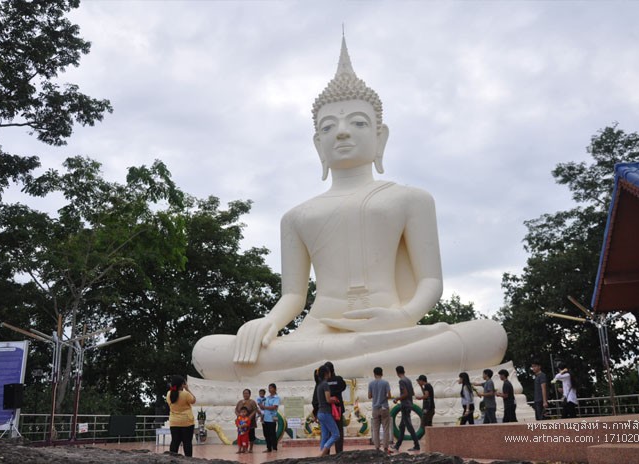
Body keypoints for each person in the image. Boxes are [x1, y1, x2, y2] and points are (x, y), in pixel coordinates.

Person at [191, 36, 507, 382]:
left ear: (380, 136)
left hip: (392, 329)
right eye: (328, 127)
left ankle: (311, 376)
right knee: (207, 350)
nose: (341, 133)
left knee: (489, 335)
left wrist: (403, 317)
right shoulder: (297, 216)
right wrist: (267, 323)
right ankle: (347, 370)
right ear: (318, 144)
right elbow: (294, 296)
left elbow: (430, 281)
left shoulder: (410, 199)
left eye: (357, 123)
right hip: (316, 335)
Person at [166, 375, 196, 457]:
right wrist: (187, 389)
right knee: (187, 443)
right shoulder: (185, 394)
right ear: (182, 384)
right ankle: (189, 460)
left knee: (175, 442)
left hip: (174, 422)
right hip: (187, 422)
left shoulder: (169, 394)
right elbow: (193, 400)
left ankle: (171, 460)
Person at [392, 366, 420, 452]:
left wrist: (397, 399)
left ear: (397, 372)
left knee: (409, 426)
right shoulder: (408, 380)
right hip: (409, 404)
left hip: (405, 405)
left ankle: (416, 445)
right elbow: (412, 393)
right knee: (402, 426)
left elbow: (405, 394)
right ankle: (397, 445)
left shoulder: (401, 381)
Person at [316, 364, 341, 457]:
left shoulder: (319, 385)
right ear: (326, 373)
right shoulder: (325, 384)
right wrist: (334, 399)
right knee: (336, 434)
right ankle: (322, 454)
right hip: (326, 412)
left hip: (320, 412)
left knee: (325, 435)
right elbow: (328, 399)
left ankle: (323, 454)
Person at [368, 366, 392, 453]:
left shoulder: (371, 384)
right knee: (386, 429)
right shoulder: (385, 383)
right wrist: (383, 396)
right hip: (384, 407)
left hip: (375, 408)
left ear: (374, 374)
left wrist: (376, 395)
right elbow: (389, 395)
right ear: (382, 373)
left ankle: (377, 448)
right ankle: (385, 448)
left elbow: (369, 396)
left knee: (376, 429)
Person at [324, 361, 346, 453]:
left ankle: (327, 453)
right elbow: (343, 387)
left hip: (327, 409)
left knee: (328, 432)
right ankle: (339, 452)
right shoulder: (339, 379)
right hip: (338, 410)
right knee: (339, 431)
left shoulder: (323, 382)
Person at [260, 383, 280, 452]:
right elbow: (262, 408)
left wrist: (265, 407)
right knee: (266, 434)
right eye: (269, 388)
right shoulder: (267, 398)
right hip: (265, 418)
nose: (270, 389)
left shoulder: (276, 398)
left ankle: (274, 448)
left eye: (271, 388)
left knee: (272, 433)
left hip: (272, 418)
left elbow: (274, 407)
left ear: (275, 389)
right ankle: (268, 448)